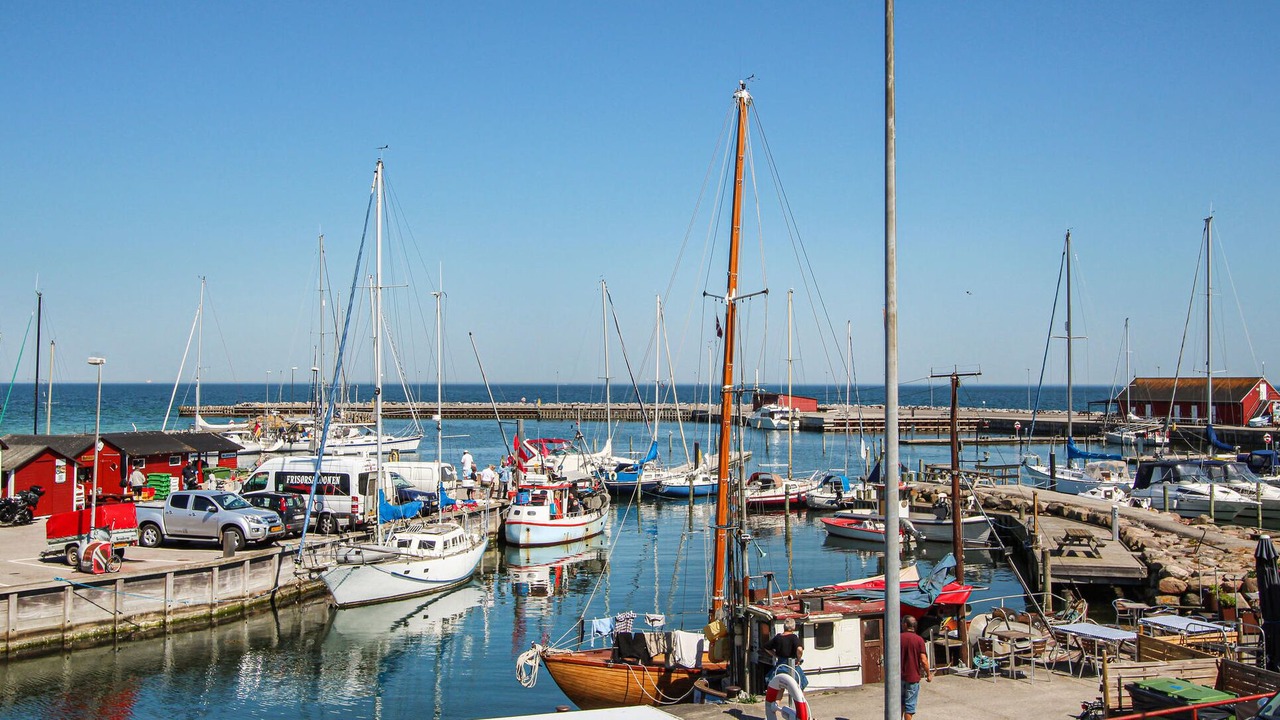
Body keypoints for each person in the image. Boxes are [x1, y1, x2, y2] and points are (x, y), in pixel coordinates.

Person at [900, 615, 932, 720]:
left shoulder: (898, 638)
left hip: (898, 677)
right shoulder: (919, 640)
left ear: (905, 625)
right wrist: (928, 674)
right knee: (909, 707)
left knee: (898, 704)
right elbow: (923, 660)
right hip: (912, 678)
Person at [764, 618, 807, 688]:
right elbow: (799, 649)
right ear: (793, 627)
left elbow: (766, 647)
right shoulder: (793, 637)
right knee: (800, 686)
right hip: (792, 666)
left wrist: (775, 655)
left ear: (784, 627)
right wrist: (799, 659)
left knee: (779, 687)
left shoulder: (778, 637)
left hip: (780, 666)